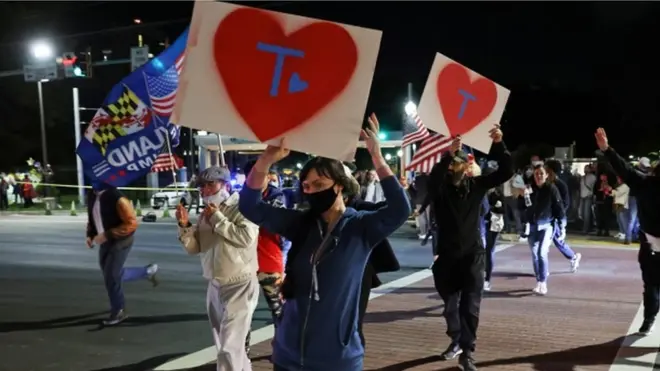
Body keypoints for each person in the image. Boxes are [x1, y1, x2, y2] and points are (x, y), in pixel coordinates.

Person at [238, 114, 411, 371]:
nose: (311, 191)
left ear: (339, 186)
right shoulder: (300, 224)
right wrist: (266, 160)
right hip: (288, 356)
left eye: (319, 184)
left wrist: (377, 157)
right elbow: (250, 206)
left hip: (338, 359)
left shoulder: (361, 227)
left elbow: (400, 209)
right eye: (306, 186)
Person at [425, 124, 513, 371]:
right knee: (451, 306)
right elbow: (432, 182)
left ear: (467, 167)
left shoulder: (477, 187)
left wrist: (498, 143)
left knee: (470, 307)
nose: (456, 167)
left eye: (459, 163)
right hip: (447, 258)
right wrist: (446, 156)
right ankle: (456, 339)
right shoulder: (441, 191)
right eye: (453, 164)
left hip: (473, 255)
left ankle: (467, 352)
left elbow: (507, 170)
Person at [175, 166, 260, 370]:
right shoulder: (207, 213)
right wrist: (185, 226)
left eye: (210, 184)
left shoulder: (242, 207)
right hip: (214, 285)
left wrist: (217, 219)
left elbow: (246, 237)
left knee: (230, 347)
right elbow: (195, 248)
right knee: (226, 345)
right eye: (202, 187)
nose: (205, 190)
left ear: (226, 185)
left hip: (240, 283)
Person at [595, 128, 660, 335]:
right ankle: (649, 319)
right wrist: (606, 149)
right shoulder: (645, 184)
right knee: (651, 286)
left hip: (650, 243)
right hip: (650, 245)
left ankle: (649, 318)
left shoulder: (644, 183)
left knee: (651, 286)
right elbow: (624, 169)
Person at [341, 164, 400, 348]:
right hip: (325, 277)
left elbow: (397, 207)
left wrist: (381, 164)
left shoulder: (360, 208)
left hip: (358, 273)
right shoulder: (314, 214)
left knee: (352, 325)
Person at [85, 182, 158, 326]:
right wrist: (90, 234)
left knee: (111, 276)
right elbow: (92, 217)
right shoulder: (92, 194)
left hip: (121, 240)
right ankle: (146, 271)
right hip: (104, 240)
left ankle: (119, 310)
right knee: (111, 274)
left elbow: (131, 224)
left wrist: (107, 234)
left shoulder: (117, 197)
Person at [241, 160, 290, 356]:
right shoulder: (238, 198)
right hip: (243, 264)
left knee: (279, 311)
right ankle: (241, 354)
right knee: (243, 314)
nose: (262, 177)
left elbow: (277, 225)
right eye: (255, 173)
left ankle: (281, 350)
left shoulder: (276, 197)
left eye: (265, 173)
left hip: (270, 261)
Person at [525, 164, 565, 295]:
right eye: (536, 174)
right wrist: (523, 196)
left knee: (542, 252)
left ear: (547, 175)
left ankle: (543, 282)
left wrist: (562, 225)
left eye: (541, 173)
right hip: (532, 225)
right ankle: (539, 281)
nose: (539, 176)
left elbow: (559, 207)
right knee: (535, 254)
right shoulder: (530, 188)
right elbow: (523, 207)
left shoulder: (551, 189)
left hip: (547, 224)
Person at [544, 160, 582, 273]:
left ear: (551, 171)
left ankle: (573, 257)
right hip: (545, 217)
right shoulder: (544, 183)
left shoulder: (560, 185)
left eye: (546, 168)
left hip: (556, 218)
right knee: (543, 243)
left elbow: (565, 203)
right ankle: (542, 269)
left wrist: (558, 216)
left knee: (558, 241)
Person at [484, 185, 504, 292]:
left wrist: (493, 208)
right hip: (482, 223)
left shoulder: (498, 193)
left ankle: (487, 279)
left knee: (489, 251)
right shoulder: (480, 191)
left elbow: (504, 209)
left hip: (494, 224)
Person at [612, 176, 631, 244]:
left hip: (622, 205)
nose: (618, 180)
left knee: (622, 219)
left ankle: (625, 233)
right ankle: (621, 232)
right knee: (619, 219)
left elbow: (617, 193)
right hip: (619, 204)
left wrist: (611, 190)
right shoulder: (620, 186)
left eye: (619, 179)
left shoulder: (625, 186)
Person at [579, 164, 597, 234]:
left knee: (586, 213)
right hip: (582, 196)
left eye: (587, 168)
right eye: (584, 168)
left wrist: (591, 194)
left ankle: (585, 229)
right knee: (582, 213)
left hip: (588, 197)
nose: (585, 170)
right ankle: (587, 227)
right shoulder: (582, 177)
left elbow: (593, 187)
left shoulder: (593, 177)